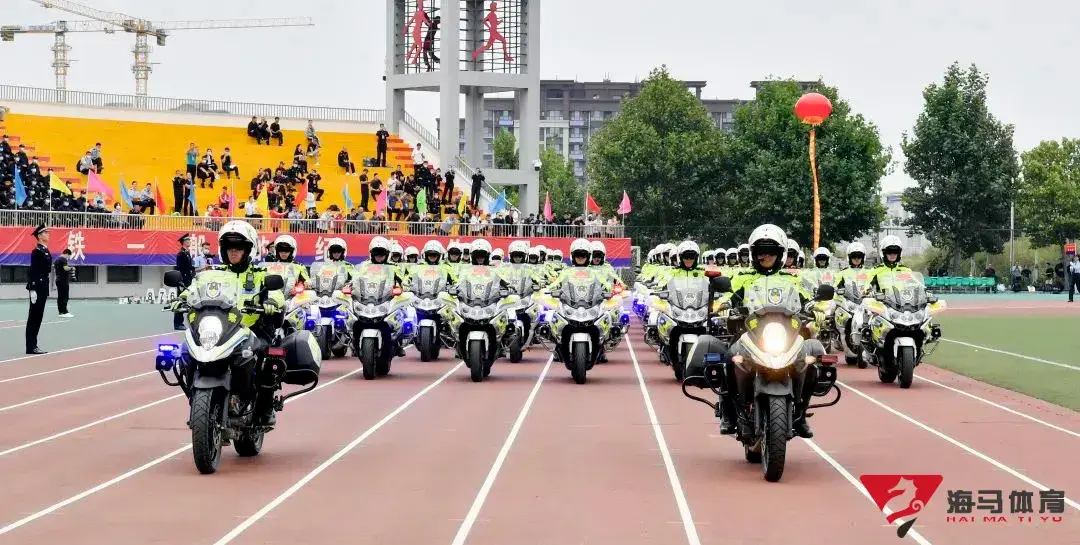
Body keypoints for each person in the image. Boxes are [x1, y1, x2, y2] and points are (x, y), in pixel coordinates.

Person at [171, 221, 285, 425]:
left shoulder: (260, 275)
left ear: (248, 250)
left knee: (269, 359)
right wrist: (182, 297)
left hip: (252, 329)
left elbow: (276, 293)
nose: (233, 252)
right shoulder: (212, 274)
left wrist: (271, 302)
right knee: (186, 353)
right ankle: (196, 400)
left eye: (238, 247)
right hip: (219, 329)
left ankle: (265, 408)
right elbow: (194, 287)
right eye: (229, 247)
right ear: (223, 250)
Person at [716, 224, 817, 438]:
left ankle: (801, 414)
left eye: (771, 251)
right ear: (753, 254)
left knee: (810, 360)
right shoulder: (743, 277)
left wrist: (817, 309)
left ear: (781, 254)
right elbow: (727, 297)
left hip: (786, 335)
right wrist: (723, 306)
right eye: (761, 251)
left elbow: (808, 300)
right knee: (728, 358)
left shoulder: (792, 279)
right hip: (750, 332)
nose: (766, 256)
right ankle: (729, 413)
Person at [25, 224, 52, 355]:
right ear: (40, 236)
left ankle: (33, 345)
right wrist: (32, 289)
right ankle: (31, 346)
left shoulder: (45, 250)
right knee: (34, 317)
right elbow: (33, 271)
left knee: (38, 317)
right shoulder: (37, 251)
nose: (48, 234)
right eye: (45, 233)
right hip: (37, 287)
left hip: (43, 286)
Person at [173, 234, 195, 331]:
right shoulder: (181, 254)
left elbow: (189, 267)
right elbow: (180, 269)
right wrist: (180, 282)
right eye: (188, 240)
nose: (190, 242)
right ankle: (178, 323)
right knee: (180, 302)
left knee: (190, 302)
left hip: (188, 281)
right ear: (184, 242)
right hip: (182, 281)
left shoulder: (187, 253)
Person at [54, 248, 75, 318]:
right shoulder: (63, 259)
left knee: (60, 296)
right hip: (63, 281)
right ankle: (65, 312)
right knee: (65, 296)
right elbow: (65, 268)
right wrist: (71, 268)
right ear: (66, 254)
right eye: (69, 256)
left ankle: (61, 312)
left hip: (58, 280)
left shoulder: (57, 260)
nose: (68, 258)